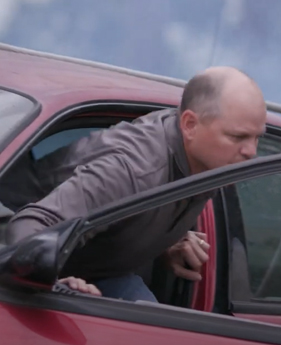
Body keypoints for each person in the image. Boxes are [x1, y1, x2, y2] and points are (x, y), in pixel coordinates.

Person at [5, 66, 267, 302]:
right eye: (238, 137)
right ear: (189, 124)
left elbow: (125, 213)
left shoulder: (211, 160)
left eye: (257, 138)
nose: (250, 152)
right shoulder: (132, 170)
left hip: (98, 269)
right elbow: (32, 224)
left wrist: (161, 243)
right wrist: (51, 284)